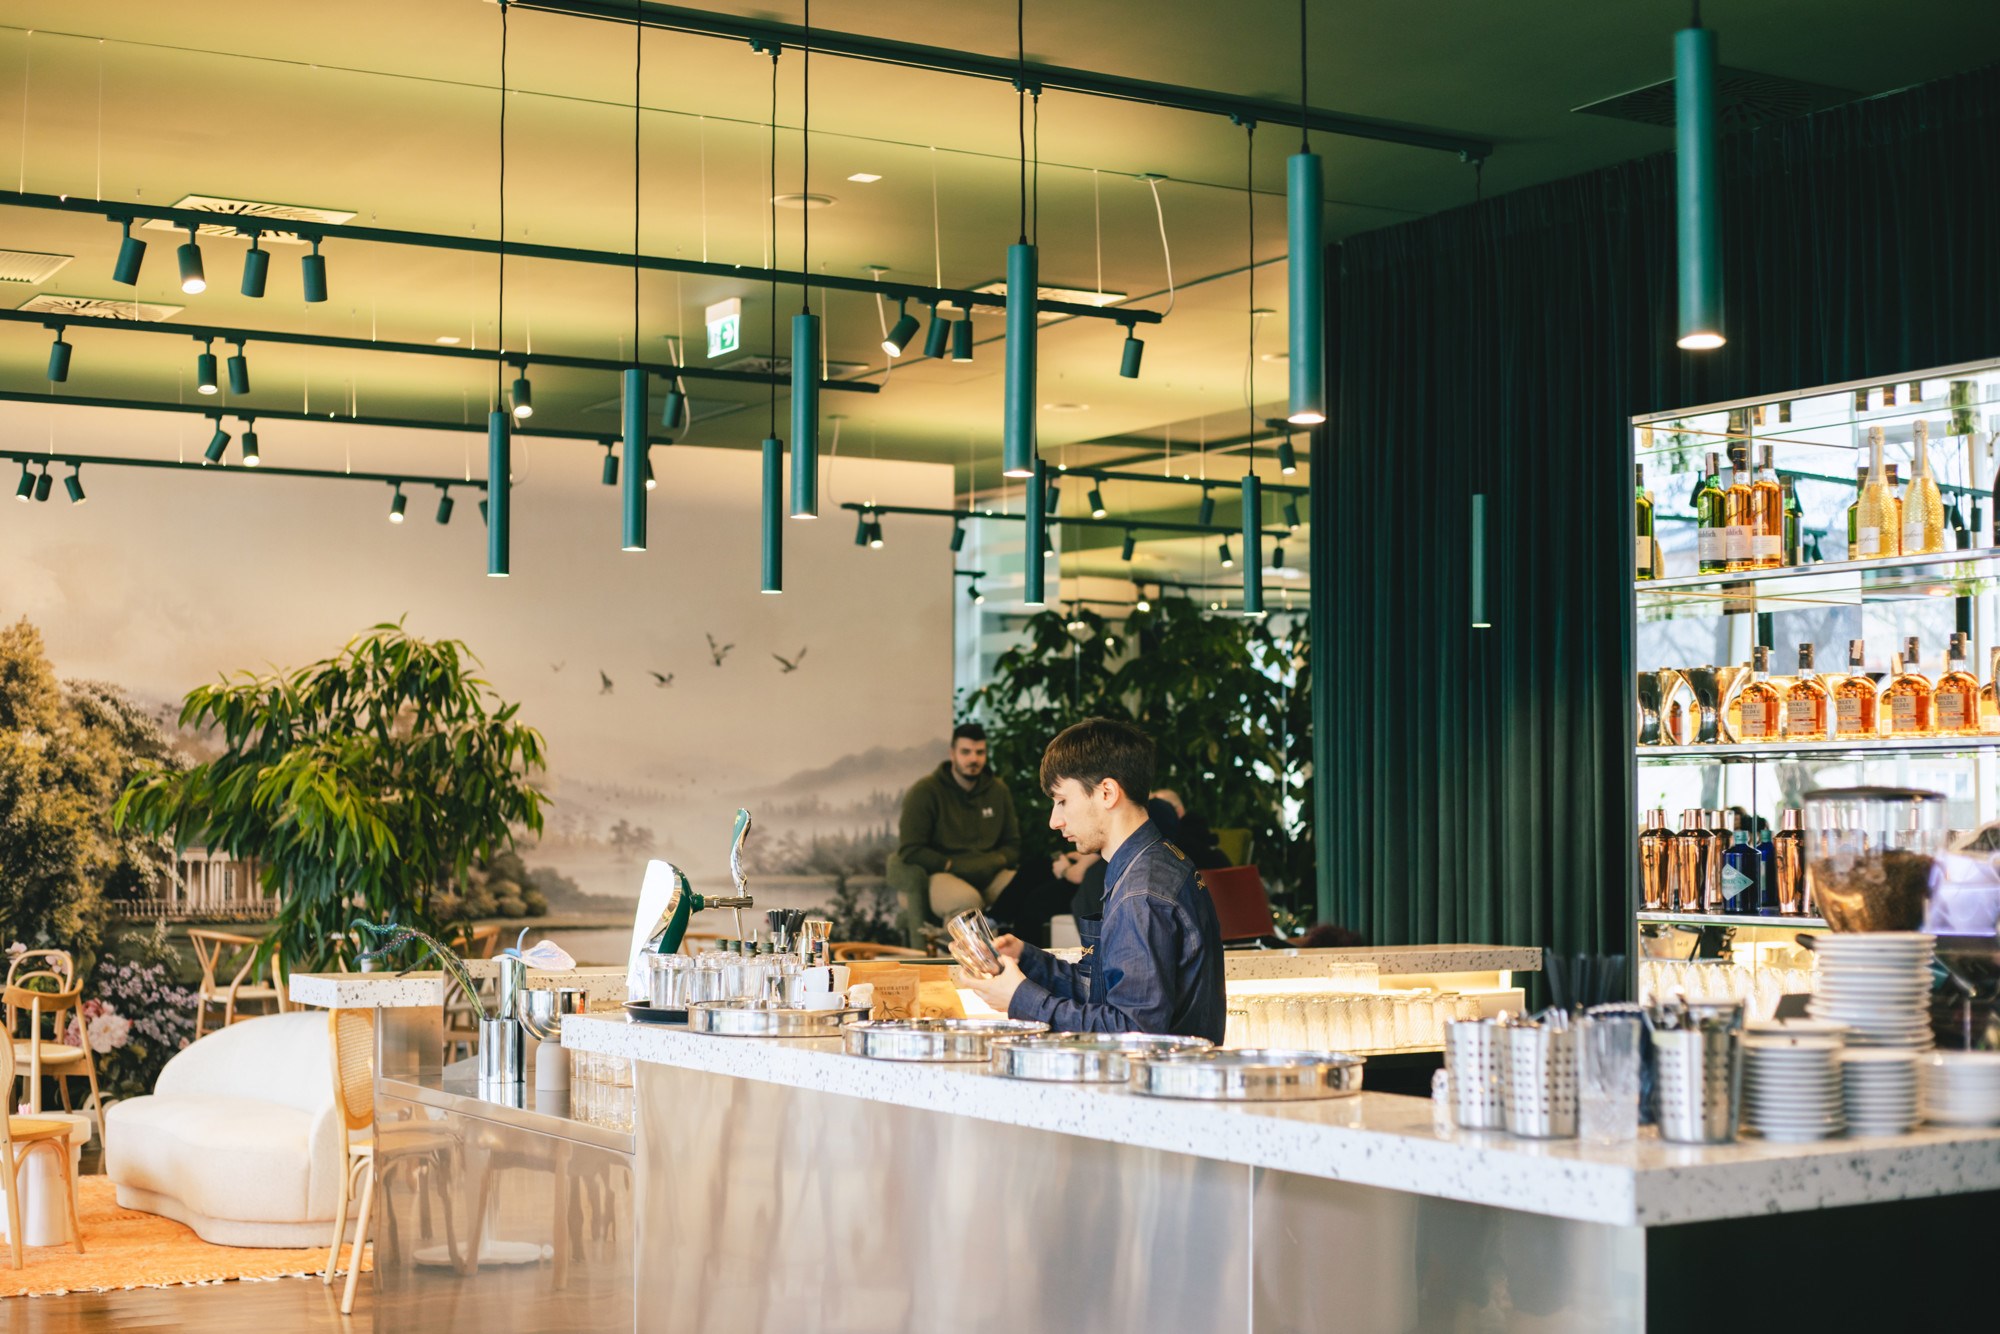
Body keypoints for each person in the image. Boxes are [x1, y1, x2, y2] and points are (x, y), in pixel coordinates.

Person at [958, 718, 1226, 1043]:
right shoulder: (1150, 864)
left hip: (1154, 1075)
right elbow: (1104, 990)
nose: (1054, 821)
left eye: (1062, 801)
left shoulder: (1141, 890)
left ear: (1107, 792)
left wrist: (1020, 998)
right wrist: (1027, 959)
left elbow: (1133, 1034)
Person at [891, 723, 1021, 925]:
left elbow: (1013, 844)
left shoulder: (998, 790)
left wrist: (996, 861)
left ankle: (1018, 947)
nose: (973, 759)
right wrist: (948, 864)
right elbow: (911, 849)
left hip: (992, 873)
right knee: (966, 901)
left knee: (1027, 890)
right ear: (952, 754)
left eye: (980, 752)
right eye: (966, 752)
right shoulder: (925, 791)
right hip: (944, 874)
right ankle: (957, 947)